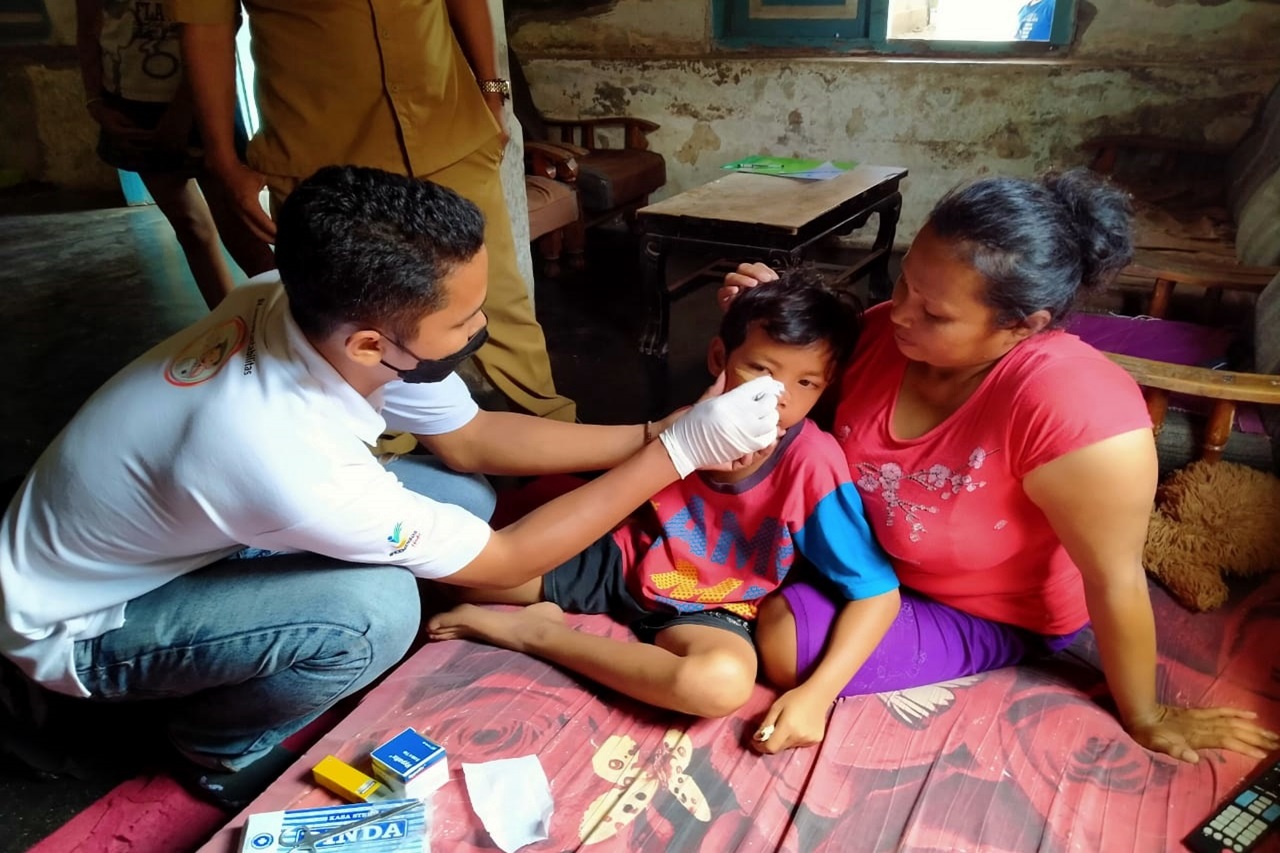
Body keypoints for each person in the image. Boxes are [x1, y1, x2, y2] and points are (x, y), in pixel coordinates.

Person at [0, 166, 783, 809]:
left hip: (160, 528)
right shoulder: (282, 452)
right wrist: (679, 454)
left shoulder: (305, 305)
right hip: (84, 618)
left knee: (464, 495)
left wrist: (653, 433)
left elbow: (470, 437)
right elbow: (504, 558)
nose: (479, 329)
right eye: (464, 319)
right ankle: (214, 747)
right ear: (375, 342)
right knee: (375, 613)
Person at [720, 169, 1280, 762]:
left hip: (988, 609)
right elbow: (788, 410)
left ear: (1023, 324)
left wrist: (1147, 715)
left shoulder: (1073, 410)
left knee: (783, 640)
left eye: (935, 313)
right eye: (906, 282)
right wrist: (762, 325)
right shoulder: (885, 334)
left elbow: (1113, 578)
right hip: (875, 563)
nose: (902, 313)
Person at [427, 271, 900, 718]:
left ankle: (538, 635)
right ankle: (544, 617)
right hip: (626, 561)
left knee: (720, 685)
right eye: (761, 370)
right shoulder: (695, 419)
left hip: (714, 604)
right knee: (452, 573)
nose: (779, 399)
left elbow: (876, 591)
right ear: (720, 359)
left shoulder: (812, 463)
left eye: (806, 383)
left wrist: (816, 698)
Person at [172, 0, 577, 421]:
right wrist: (222, 161)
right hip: (325, 161)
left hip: (448, 131)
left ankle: (556, 426)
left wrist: (492, 96)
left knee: (499, 299)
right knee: (358, 326)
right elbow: (206, 27)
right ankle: (384, 450)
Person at [76, 0, 274, 309]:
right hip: (130, 106)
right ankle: (227, 326)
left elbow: (216, 28)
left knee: (242, 229)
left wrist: (183, 112)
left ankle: (293, 331)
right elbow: (88, 25)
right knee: (188, 226)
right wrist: (96, 101)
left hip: (204, 103)